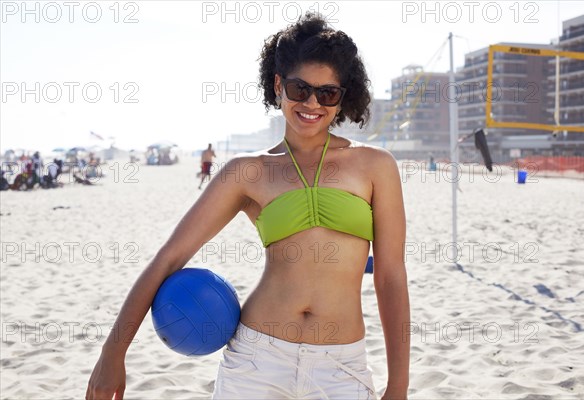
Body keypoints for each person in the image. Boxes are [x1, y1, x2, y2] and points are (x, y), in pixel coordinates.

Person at [87, 12, 409, 400]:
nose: (312, 103)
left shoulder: (376, 166)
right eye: (299, 88)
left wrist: (399, 385)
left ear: (343, 96)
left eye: (327, 93)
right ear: (278, 86)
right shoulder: (247, 171)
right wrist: (113, 351)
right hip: (257, 360)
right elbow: (169, 258)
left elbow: (390, 276)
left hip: (341, 367)